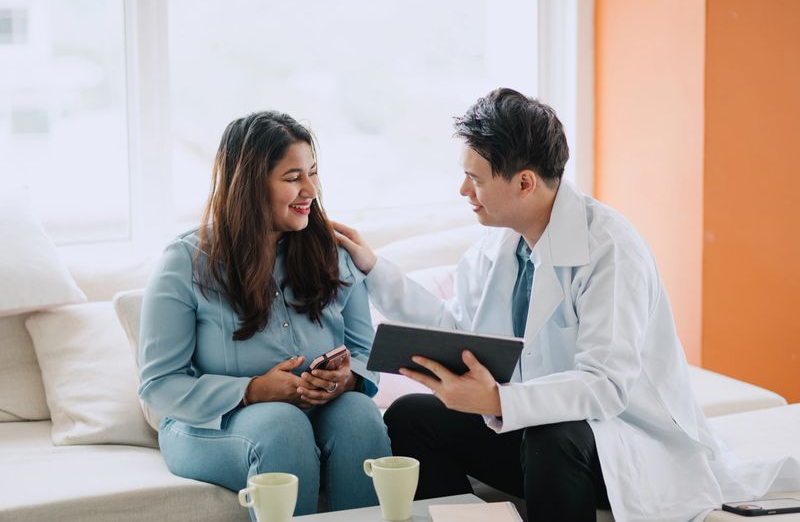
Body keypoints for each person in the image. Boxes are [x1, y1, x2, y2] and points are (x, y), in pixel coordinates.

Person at [334, 88, 800, 521]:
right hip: (533, 439)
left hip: (619, 449)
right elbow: (456, 325)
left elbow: (605, 385)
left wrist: (498, 399)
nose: (464, 191)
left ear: (524, 183)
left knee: (551, 432)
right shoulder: (500, 247)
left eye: (474, 178)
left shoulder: (611, 248)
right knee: (412, 418)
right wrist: (375, 268)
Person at [138, 111, 391, 518]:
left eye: (312, 173)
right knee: (280, 425)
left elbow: (367, 357)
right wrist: (252, 390)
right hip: (208, 423)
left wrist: (346, 379)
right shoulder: (185, 261)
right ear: (250, 184)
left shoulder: (333, 251)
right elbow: (159, 384)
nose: (311, 189)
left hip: (319, 411)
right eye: (293, 178)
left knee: (360, 416)